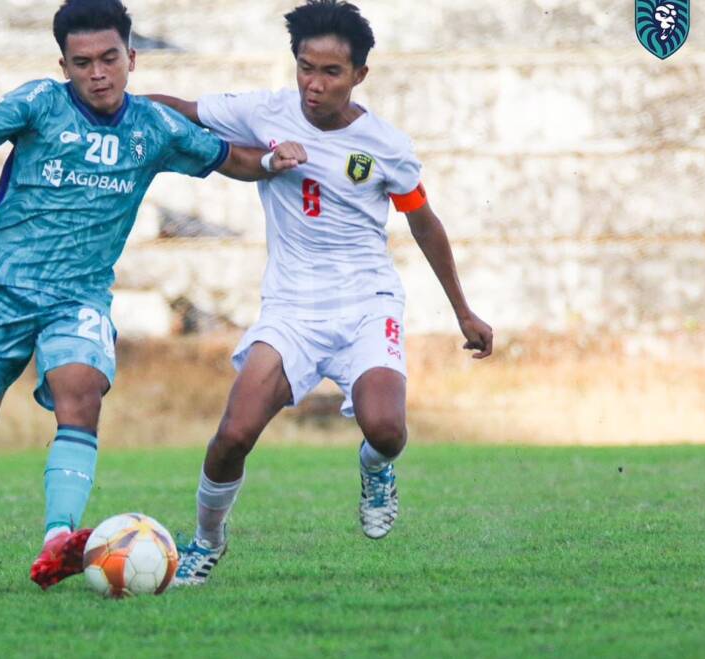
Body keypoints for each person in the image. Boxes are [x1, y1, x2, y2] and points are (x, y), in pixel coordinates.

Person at [0, 0, 305, 590]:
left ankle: (59, 540)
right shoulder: (40, 104)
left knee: (82, 390)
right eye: (82, 63)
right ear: (64, 65)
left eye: (108, 59)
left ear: (131, 57)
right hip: (0, 288)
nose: (97, 73)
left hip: (80, 295)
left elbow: (232, 159)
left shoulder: (154, 127)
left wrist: (277, 158)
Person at [148, 0, 494, 585]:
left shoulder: (386, 145)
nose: (314, 83)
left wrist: (462, 310)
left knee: (387, 431)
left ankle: (375, 470)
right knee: (232, 436)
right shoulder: (264, 112)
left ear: (360, 74)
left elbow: (423, 222)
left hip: (367, 304)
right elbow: (180, 110)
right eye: (306, 67)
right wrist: (110, 103)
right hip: (291, 311)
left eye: (331, 72)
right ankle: (206, 543)